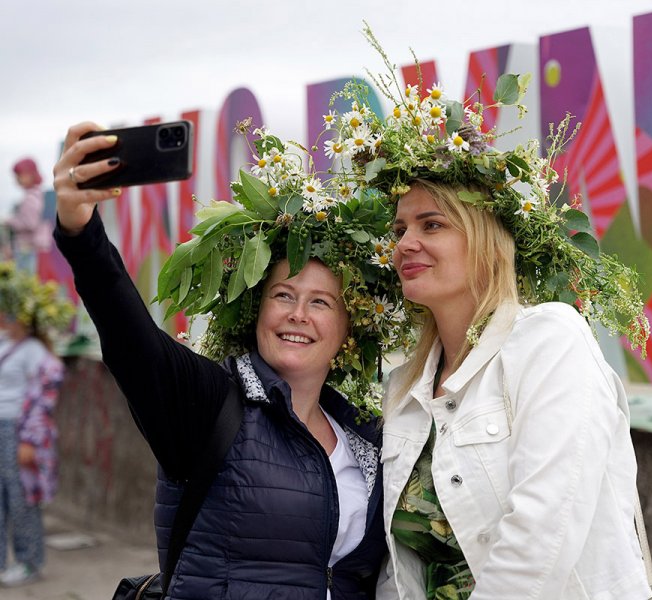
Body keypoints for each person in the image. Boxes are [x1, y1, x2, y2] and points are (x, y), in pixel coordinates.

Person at [316, 29, 652, 600]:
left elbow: (542, 537)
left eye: (432, 224)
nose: (404, 243)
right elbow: (399, 568)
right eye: (399, 229)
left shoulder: (550, 342)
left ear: (485, 241)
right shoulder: (404, 385)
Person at [52, 122, 412, 599]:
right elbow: (129, 337)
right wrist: (82, 235)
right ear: (257, 310)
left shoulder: (366, 437)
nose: (298, 315)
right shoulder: (210, 403)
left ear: (350, 329)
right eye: (283, 295)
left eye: (321, 302)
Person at [0, 263, 71, 587]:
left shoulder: (33, 351)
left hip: (17, 430)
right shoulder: (5, 344)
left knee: (21, 497)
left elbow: (45, 393)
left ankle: (30, 561)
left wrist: (29, 440)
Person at [8, 158, 52, 273]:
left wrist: (10, 221)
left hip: (28, 247)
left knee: (25, 282)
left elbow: (30, 223)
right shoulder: (38, 194)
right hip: (35, 247)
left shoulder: (31, 197)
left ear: (30, 175)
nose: (17, 179)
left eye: (19, 175)